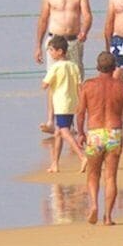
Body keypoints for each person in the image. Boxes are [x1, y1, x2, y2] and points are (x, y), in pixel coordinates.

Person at [76, 57, 123, 224]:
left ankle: (94, 205)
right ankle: (108, 217)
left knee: (93, 175)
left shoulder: (88, 85)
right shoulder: (121, 86)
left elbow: (80, 113)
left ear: (97, 67)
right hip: (113, 133)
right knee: (110, 177)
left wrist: (80, 133)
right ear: (114, 67)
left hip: (95, 133)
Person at [36, 0, 89, 70]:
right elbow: (43, 19)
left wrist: (84, 31)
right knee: (54, 76)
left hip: (73, 40)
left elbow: (87, 15)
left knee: (76, 75)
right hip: (55, 41)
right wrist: (38, 46)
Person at [40, 41, 83, 171]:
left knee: (64, 131)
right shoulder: (73, 66)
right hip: (71, 103)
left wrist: (48, 82)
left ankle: (82, 156)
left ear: (60, 51)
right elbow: (79, 86)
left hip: (61, 103)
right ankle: (55, 163)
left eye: (52, 50)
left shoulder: (56, 67)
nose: (50, 53)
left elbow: (44, 85)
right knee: (58, 132)